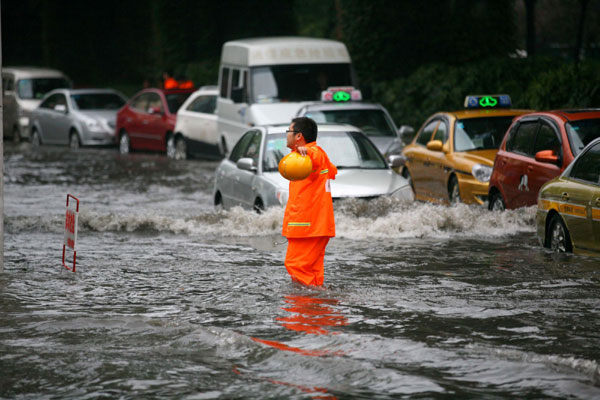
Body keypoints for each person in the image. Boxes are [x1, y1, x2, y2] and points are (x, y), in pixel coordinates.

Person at [282, 117, 337, 286]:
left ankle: (304, 307)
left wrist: (304, 151)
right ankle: (317, 307)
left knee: (296, 265)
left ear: (298, 136)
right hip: (314, 226)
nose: (286, 135)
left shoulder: (311, 154)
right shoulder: (304, 157)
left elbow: (314, 157)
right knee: (312, 270)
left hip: (307, 227)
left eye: (289, 131)